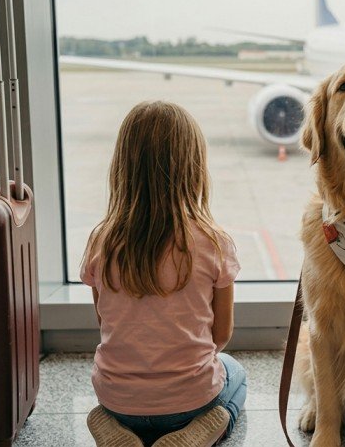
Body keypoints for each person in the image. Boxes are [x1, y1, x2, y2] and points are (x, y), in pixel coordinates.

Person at [82, 101, 245, 447]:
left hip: (117, 400)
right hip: (190, 402)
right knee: (236, 374)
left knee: (119, 385)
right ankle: (202, 430)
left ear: (123, 166)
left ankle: (108, 424)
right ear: (194, 167)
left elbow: (105, 320)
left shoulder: (102, 240)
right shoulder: (214, 242)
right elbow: (222, 335)